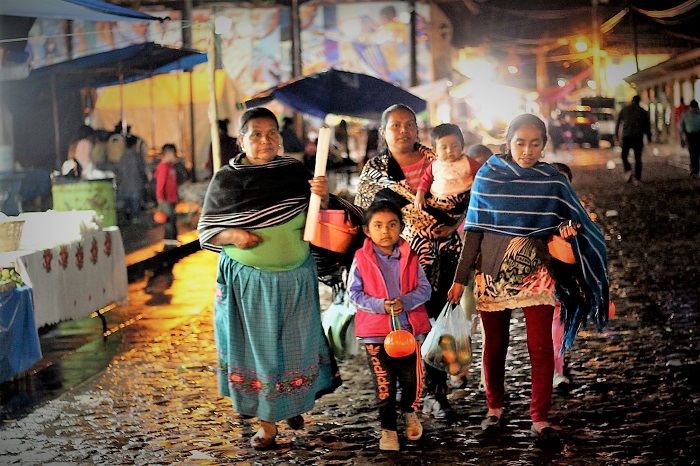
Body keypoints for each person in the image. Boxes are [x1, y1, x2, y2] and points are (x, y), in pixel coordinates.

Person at [447, 113, 610, 446]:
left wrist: (568, 230)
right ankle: (494, 408)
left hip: (537, 274)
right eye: (520, 143)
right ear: (508, 142)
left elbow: (570, 221)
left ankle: (540, 418)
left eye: (535, 144)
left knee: (540, 347)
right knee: (495, 346)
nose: (527, 150)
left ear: (544, 144)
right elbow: (474, 231)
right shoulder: (488, 176)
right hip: (491, 274)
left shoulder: (552, 180)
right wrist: (460, 279)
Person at [197, 107, 341, 450]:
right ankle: (267, 424)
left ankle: (292, 405)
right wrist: (233, 236)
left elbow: (318, 216)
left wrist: (321, 195)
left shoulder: (293, 171)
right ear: (241, 140)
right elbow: (207, 232)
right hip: (250, 283)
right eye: (256, 134)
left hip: (297, 278)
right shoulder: (227, 180)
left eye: (272, 134)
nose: (265, 140)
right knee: (260, 353)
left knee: (296, 347)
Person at [354, 104, 463, 419]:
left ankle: (437, 394)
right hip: (397, 265)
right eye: (396, 126)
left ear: (418, 128)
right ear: (383, 132)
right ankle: (406, 393)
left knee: (439, 325)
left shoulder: (440, 160)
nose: (404, 131)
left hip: (443, 257)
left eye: (410, 124)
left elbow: (467, 198)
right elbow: (365, 216)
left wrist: (453, 226)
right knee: (403, 328)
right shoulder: (375, 170)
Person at [347, 199, 432, 451]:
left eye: (392, 224)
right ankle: (388, 430)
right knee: (384, 385)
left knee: (411, 380)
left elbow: (425, 289)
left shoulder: (411, 256)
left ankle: (409, 413)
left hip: (407, 332)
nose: (386, 231)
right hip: (376, 335)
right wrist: (380, 305)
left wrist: (405, 302)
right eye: (378, 225)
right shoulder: (361, 258)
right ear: (367, 230)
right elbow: (354, 294)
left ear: (401, 227)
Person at [414, 123, 481, 214]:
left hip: (461, 203)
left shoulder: (468, 162)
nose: (449, 151)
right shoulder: (434, 165)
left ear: (462, 146)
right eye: (444, 147)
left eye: (454, 146)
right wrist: (419, 196)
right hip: (436, 202)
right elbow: (425, 181)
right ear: (435, 151)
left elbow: (482, 175)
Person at [615, 95, 652, 184]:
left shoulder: (625, 110)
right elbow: (647, 126)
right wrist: (649, 137)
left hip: (627, 136)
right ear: (639, 101)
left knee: (624, 156)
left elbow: (618, 122)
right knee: (638, 158)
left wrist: (616, 135)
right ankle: (637, 177)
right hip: (638, 137)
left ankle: (628, 170)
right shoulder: (642, 111)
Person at [115, 135, 147, 224]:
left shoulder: (120, 156)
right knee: (135, 215)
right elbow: (142, 171)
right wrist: (145, 182)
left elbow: (118, 172)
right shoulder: (137, 156)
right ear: (134, 144)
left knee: (124, 212)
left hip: (123, 187)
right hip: (136, 187)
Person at [153, 143, 180, 246]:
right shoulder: (164, 167)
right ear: (168, 154)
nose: (175, 156)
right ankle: (170, 241)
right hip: (166, 199)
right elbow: (160, 184)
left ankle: (172, 240)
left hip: (171, 198)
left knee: (172, 219)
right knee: (169, 221)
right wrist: (160, 198)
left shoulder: (170, 166)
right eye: (174, 154)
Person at [680, 99, 700, 178]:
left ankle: (696, 169)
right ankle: (693, 169)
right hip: (690, 135)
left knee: (697, 153)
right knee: (692, 153)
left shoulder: (699, 114)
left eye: (695, 108)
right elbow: (682, 125)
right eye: (692, 108)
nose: (693, 109)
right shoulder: (686, 114)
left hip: (698, 135)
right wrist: (683, 135)